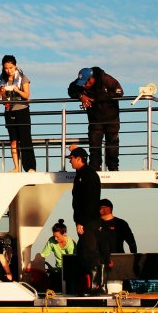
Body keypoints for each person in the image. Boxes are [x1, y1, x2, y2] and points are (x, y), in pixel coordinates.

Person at [68, 145, 109, 294]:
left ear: (79, 159)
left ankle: (98, 286)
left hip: (89, 222)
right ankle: (96, 286)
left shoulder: (87, 174)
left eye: (71, 158)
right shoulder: (84, 173)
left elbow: (88, 201)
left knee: (89, 253)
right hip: (90, 220)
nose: (70, 162)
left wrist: (81, 221)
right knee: (85, 253)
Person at [68, 67, 124, 171]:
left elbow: (119, 92)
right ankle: (95, 167)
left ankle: (113, 167)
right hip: (94, 119)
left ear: (92, 78)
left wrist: (96, 99)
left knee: (112, 144)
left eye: (86, 83)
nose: (84, 85)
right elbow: (71, 90)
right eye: (82, 83)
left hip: (111, 118)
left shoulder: (106, 79)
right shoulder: (81, 82)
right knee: (94, 143)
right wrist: (81, 96)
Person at [0, 55, 36, 173]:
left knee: (25, 140)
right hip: (9, 111)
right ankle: (16, 167)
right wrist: (1, 91)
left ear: (15, 66)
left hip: (22, 110)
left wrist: (17, 90)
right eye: (6, 68)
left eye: (11, 68)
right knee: (13, 140)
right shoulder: (2, 79)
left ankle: (30, 167)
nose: (9, 70)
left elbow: (27, 95)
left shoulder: (23, 78)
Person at [40, 219, 76, 292]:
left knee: (70, 281)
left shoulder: (71, 244)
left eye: (58, 237)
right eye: (54, 236)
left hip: (69, 271)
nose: (55, 239)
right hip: (57, 271)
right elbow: (43, 255)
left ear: (64, 234)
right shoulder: (51, 240)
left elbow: (71, 263)